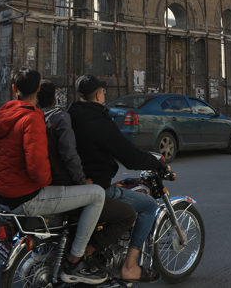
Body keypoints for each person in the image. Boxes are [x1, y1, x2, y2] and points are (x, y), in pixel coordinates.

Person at [0, 68, 107, 285]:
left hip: (2, 193)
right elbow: (37, 168)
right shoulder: (32, 117)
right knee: (97, 194)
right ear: (38, 88)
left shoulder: (3, 114)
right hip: (26, 197)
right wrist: (49, 183)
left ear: (14, 89)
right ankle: (76, 261)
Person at [69, 74, 165, 283]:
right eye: (102, 91)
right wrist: (155, 163)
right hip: (97, 188)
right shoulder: (100, 122)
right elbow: (129, 156)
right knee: (148, 205)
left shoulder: (70, 116)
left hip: (75, 186)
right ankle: (129, 266)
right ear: (98, 95)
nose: (103, 94)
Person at [37, 80, 136, 264]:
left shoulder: (51, 116)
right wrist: (81, 182)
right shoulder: (61, 118)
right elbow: (69, 155)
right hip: (62, 186)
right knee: (124, 211)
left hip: (42, 184)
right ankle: (80, 256)